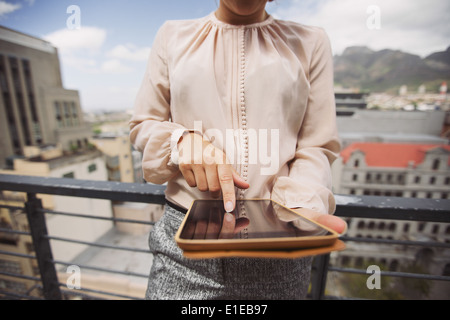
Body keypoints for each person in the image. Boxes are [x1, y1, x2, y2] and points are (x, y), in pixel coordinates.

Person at [129, 0, 347, 300]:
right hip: (186, 246)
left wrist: (302, 200)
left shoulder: (312, 41)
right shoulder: (171, 35)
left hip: (278, 247)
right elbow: (144, 123)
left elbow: (317, 144)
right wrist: (181, 141)